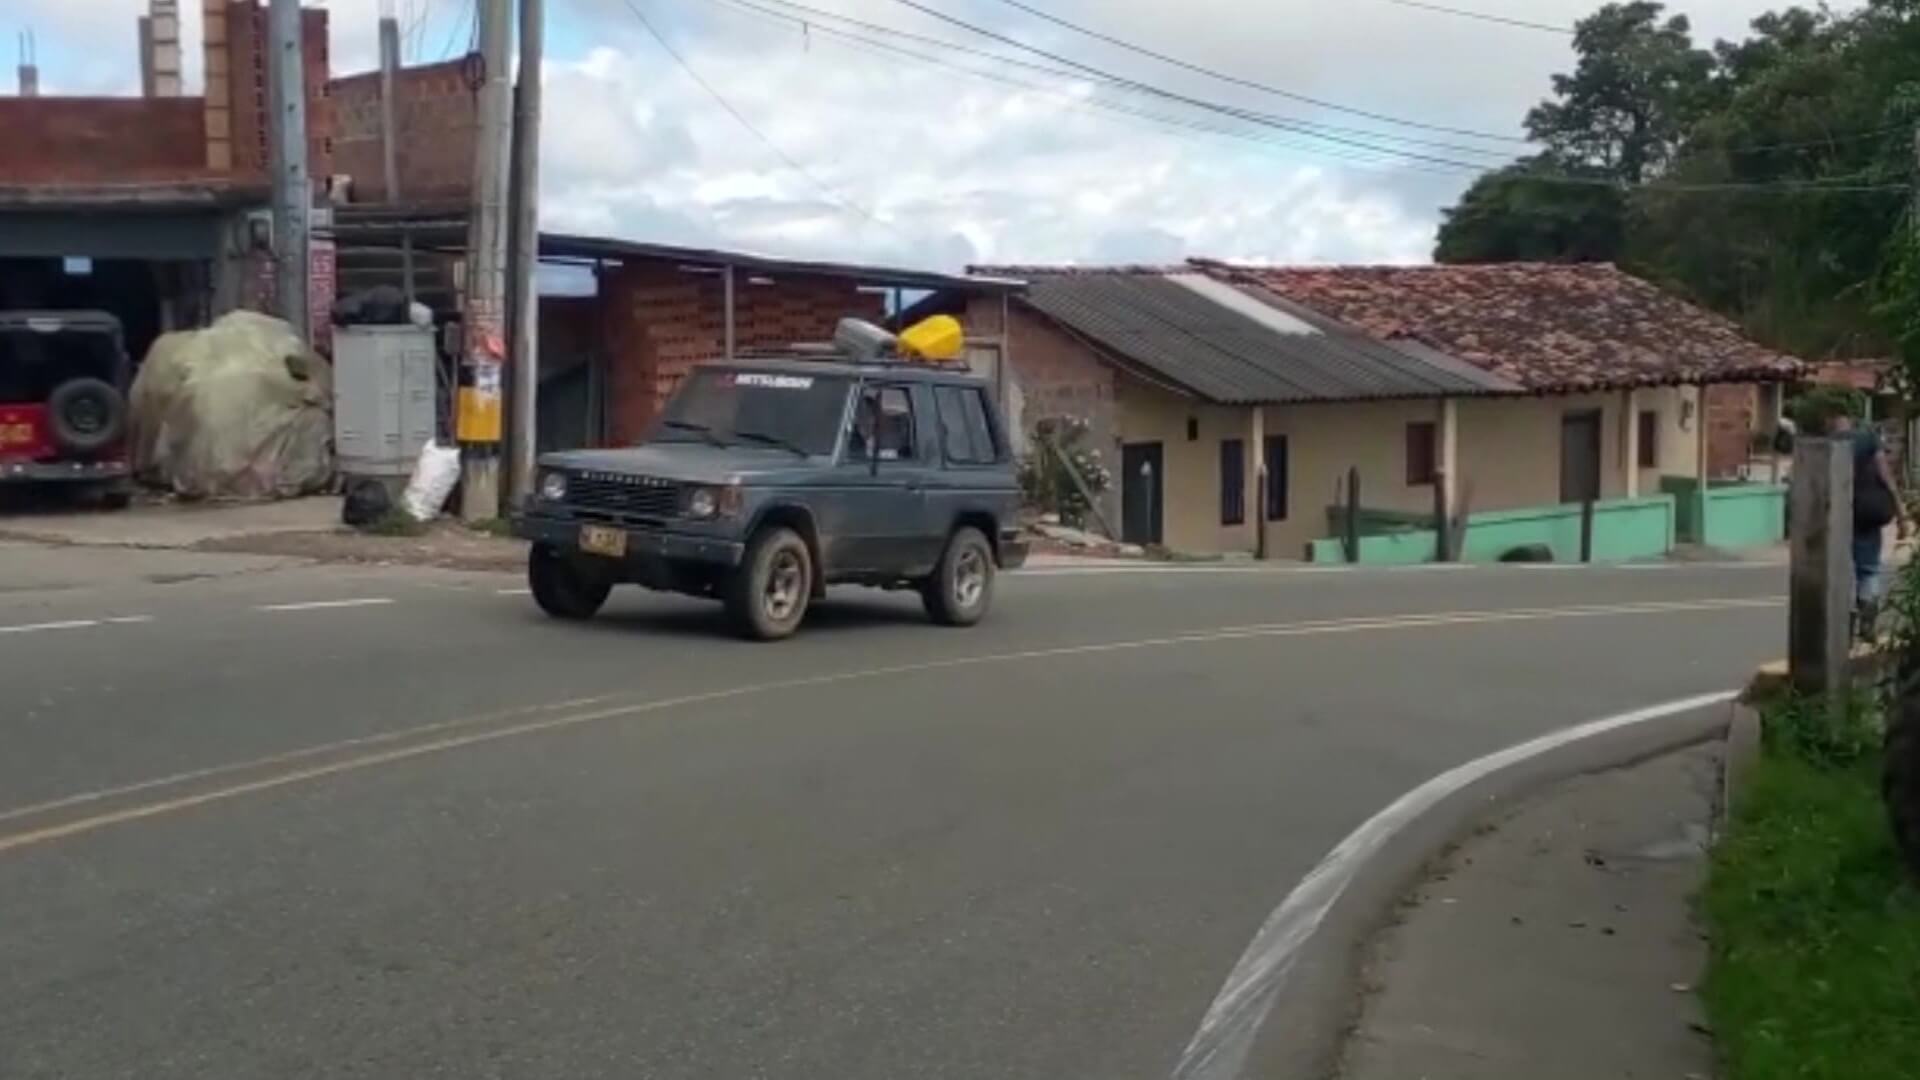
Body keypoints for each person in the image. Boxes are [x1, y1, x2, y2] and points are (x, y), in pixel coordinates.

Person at [1831, 412, 1909, 635]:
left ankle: (1844, 621)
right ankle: (1867, 619)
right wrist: (1901, 513)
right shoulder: (1867, 439)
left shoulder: (1828, 443)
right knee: (1868, 569)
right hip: (1868, 512)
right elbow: (1886, 477)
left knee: (1838, 571)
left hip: (1838, 515)